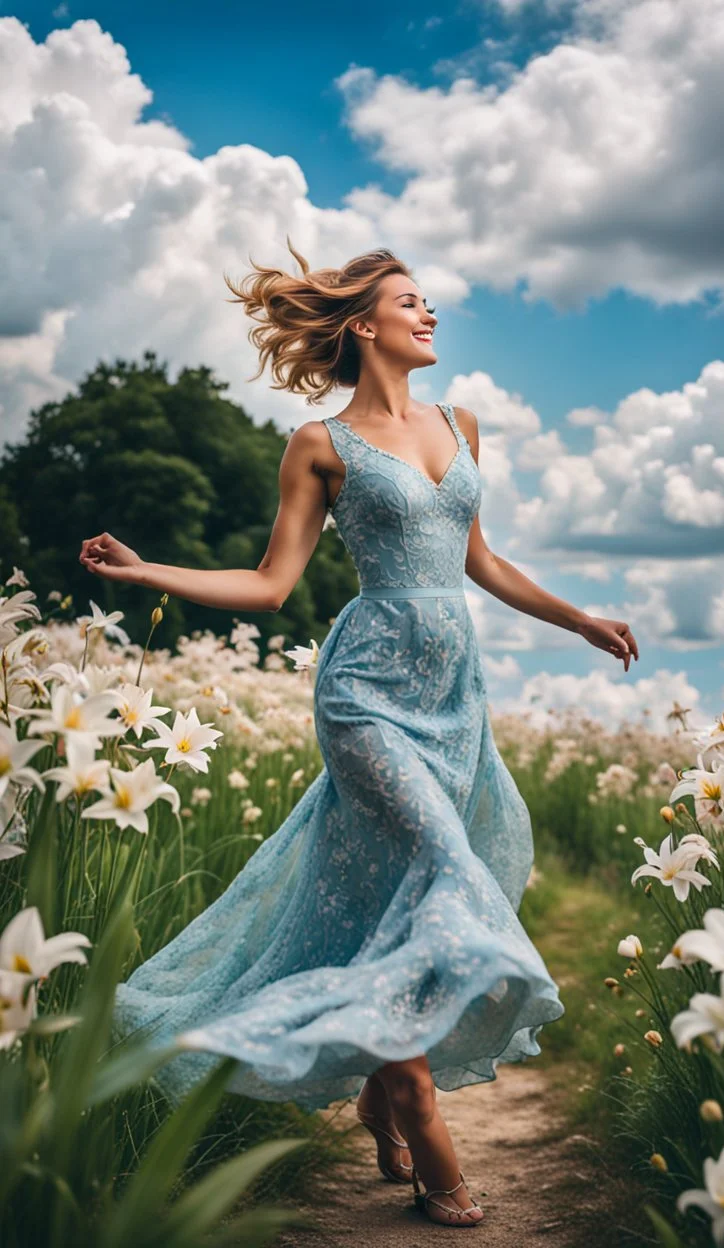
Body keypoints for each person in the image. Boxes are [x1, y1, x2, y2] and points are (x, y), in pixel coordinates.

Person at [79, 242, 639, 1229]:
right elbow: (268, 584)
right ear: (364, 326)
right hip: (366, 693)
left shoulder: (459, 425)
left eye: (429, 304)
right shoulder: (319, 443)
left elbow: (481, 560)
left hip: (453, 696)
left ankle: (383, 1085)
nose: (429, 317)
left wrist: (577, 618)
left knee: (408, 893)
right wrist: (148, 571)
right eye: (411, 305)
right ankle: (420, 1115)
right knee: (446, 868)